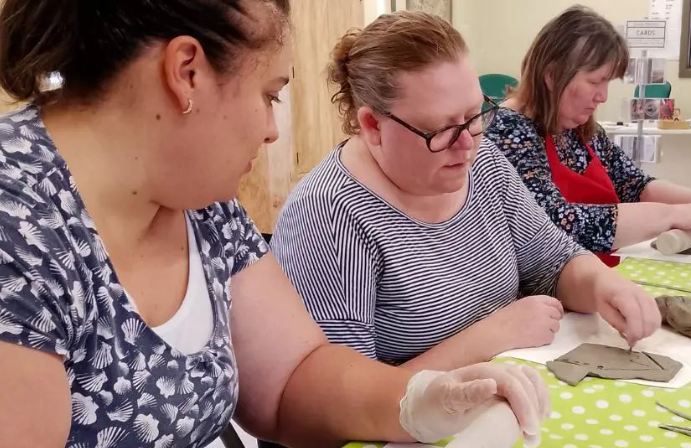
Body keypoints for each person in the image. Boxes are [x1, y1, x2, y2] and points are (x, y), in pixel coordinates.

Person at [0, 2, 553, 448]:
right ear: (186, 71)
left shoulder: (199, 201)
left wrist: (419, 398)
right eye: (269, 95)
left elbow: (292, 379)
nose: (270, 130)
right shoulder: (18, 226)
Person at [270, 11, 661, 374]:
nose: (468, 143)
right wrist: (493, 335)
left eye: (475, 115)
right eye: (442, 128)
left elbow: (553, 259)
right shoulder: (328, 214)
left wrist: (602, 285)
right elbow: (343, 400)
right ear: (373, 125)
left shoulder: (482, 161)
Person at [485, 6, 691, 267]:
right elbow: (557, 224)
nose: (603, 96)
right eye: (595, 82)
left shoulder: (579, 128)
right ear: (551, 75)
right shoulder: (508, 131)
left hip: (605, 271)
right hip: (552, 293)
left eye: (607, 82)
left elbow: (635, 185)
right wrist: (672, 216)